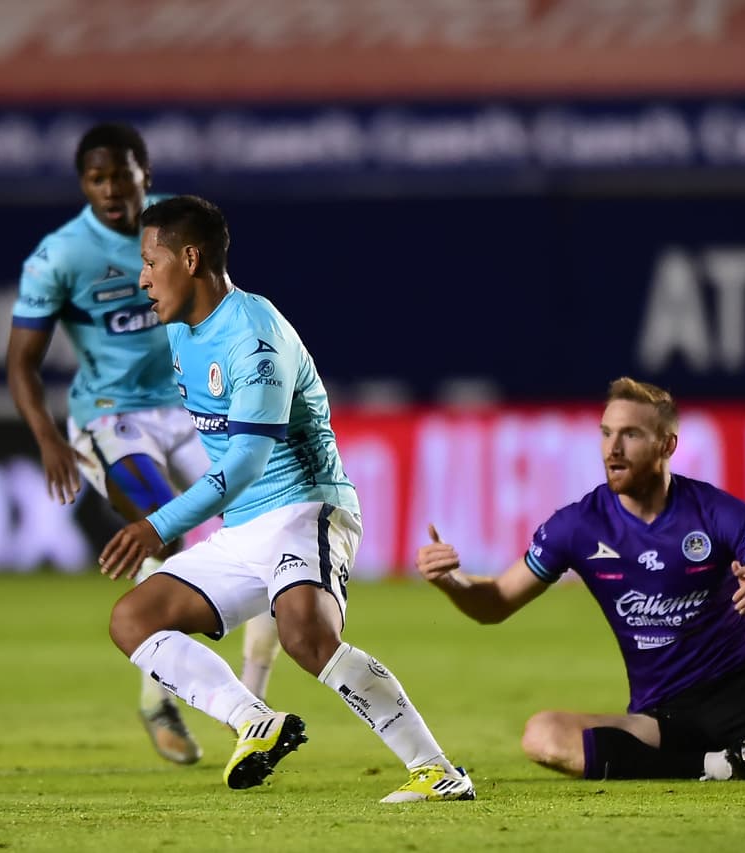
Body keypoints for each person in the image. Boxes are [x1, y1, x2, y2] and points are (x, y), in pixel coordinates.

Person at [98, 195, 475, 802]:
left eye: (150, 261)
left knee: (308, 638)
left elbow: (247, 460)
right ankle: (253, 722)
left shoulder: (255, 337)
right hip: (244, 528)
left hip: (306, 509)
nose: (143, 277)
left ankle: (437, 772)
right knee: (132, 619)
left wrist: (157, 523)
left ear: (189, 259)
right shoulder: (181, 334)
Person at [416, 377, 745, 782]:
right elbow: (497, 601)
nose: (613, 448)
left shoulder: (715, 511)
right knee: (542, 736)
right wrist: (452, 582)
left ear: (667, 444)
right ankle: (718, 765)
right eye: (606, 433)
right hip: (662, 715)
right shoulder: (577, 524)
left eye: (630, 434)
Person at [6, 124, 280, 766]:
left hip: (190, 409)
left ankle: (254, 708)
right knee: (170, 532)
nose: (111, 189)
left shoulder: (177, 232)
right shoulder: (59, 256)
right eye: (97, 179)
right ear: (84, 185)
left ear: (144, 175)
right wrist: (48, 438)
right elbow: (22, 362)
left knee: (275, 530)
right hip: (110, 421)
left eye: (121, 176)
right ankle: (160, 699)